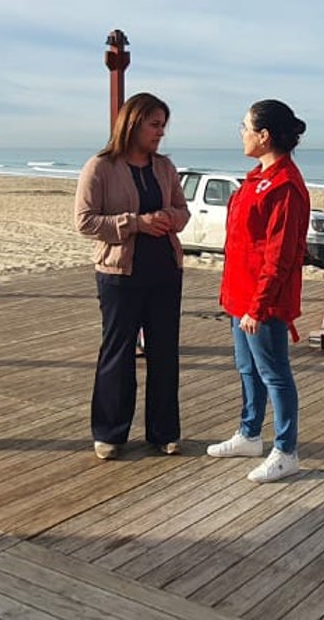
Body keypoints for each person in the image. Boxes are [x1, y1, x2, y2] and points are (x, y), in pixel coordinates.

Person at [74, 93, 190, 460]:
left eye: (162, 126)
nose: (160, 133)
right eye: (154, 125)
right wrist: (136, 223)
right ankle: (110, 433)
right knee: (118, 352)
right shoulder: (100, 166)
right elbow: (85, 221)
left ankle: (164, 432)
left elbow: (183, 212)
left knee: (164, 352)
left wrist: (168, 218)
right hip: (119, 274)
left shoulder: (165, 167)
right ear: (133, 123)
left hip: (165, 272)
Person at [207, 99, 309, 483]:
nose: (241, 132)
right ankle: (250, 433)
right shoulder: (256, 176)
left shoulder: (285, 186)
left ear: (264, 136)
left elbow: (280, 256)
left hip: (262, 303)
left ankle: (286, 449)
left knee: (274, 373)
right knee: (247, 368)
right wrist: (233, 298)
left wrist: (258, 305)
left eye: (245, 126)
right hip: (239, 295)